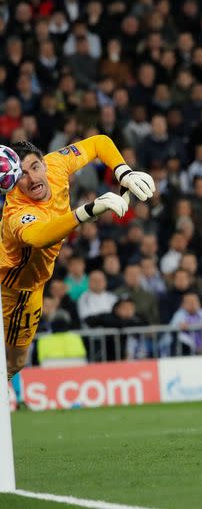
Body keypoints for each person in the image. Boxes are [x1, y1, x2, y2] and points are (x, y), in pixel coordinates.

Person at [1, 136, 154, 380]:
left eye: (35, 167)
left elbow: (98, 143)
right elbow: (39, 237)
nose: (32, 179)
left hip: (34, 284)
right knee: (8, 364)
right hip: (14, 290)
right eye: (22, 175)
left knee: (16, 363)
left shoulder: (56, 164)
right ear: (12, 181)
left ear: (44, 162)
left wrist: (123, 172)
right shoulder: (17, 211)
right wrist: (89, 210)